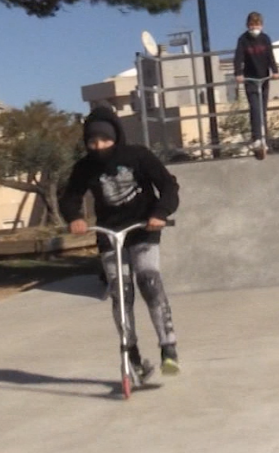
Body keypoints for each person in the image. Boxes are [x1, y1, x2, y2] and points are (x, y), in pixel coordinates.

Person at [59, 106, 181, 377]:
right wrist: (74, 217)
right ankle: (132, 353)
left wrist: (160, 213)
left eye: (104, 140)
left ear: (116, 137)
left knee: (149, 281)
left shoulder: (138, 156)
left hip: (143, 229)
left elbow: (169, 186)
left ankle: (168, 347)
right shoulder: (85, 166)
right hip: (109, 233)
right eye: (92, 141)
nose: (99, 146)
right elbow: (70, 197)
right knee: (120, 292)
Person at [233, 12, 279, 151]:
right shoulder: (243, 40)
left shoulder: (265, 39)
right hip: (250, 78)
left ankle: (265, 138)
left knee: (263, 109)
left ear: (262, 25)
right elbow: (238, 58)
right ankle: (257, 138)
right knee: (255, 108)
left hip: (264, 78)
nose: (255, 27)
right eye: (252, 25)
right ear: (248, 25)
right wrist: (238, 73)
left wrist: (275, 71)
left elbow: (270, 56)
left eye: (257, 24)